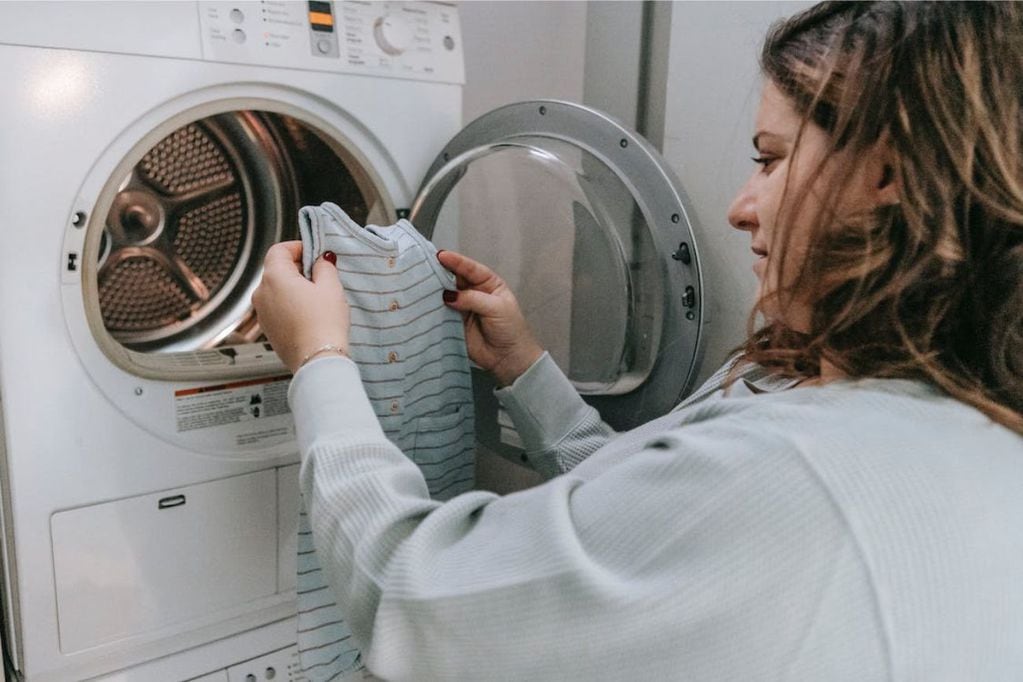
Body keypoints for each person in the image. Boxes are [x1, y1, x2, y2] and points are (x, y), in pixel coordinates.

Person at [252, 2, 1023, 679]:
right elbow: (652, 537)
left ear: (886, 169)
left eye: (770, 158)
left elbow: (409, 595)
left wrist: (322, 360)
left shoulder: (797, 468)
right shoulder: (946, 417)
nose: (739, 207)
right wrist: (525, 370)